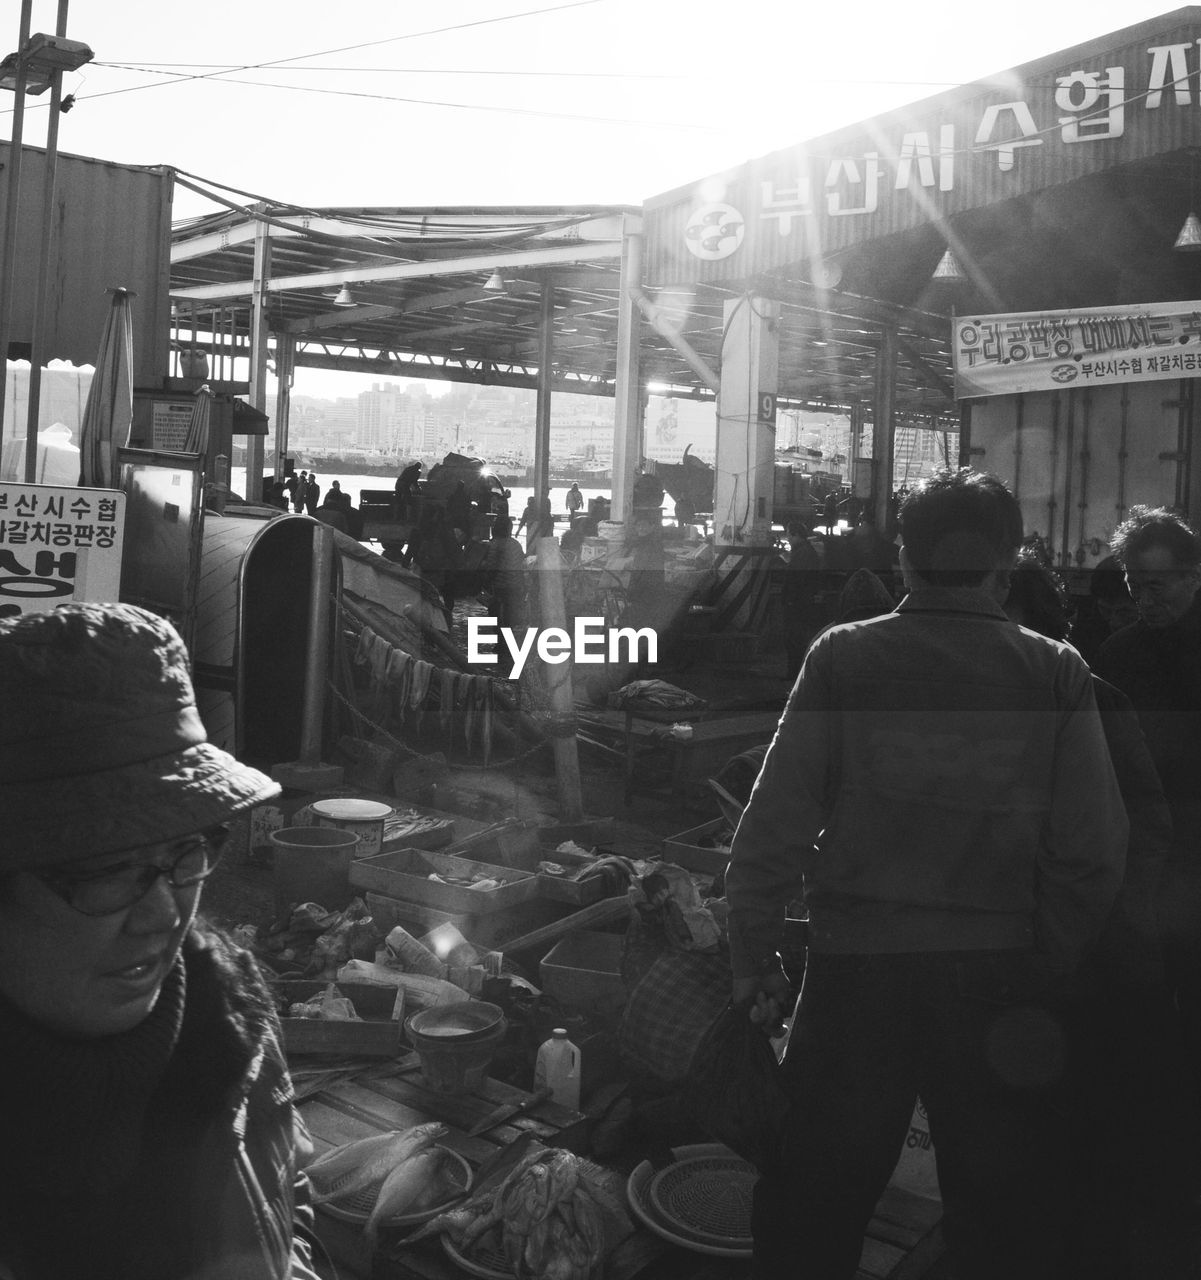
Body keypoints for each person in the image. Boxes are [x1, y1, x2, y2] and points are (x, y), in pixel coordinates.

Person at [725, 468, 1127, 1280]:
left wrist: (752, 949)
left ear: (902, 561)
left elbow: (770, 828)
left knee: (813, 1204)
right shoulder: (1055, 673)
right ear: (1006, 565)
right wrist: (1040, 958)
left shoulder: (841, 659)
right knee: (992, 1215)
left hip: (852, 979)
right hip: (994, 990)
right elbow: (1091, 850)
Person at [0, 602, 320, 1280]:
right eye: (104, 870)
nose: (161, 915)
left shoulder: (232, 1020)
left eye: (186, 851)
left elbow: (287, 1205)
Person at [1006, 554, 1197, 1277]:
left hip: (1106, 943)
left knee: (1115, 1110)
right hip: (1048, 947)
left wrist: (1119, 910)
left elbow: (1143, 826)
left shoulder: (1092, 697)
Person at [1094, 506, 1201, 1099]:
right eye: (1135, 585)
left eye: (1156, 586)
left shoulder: (1121, 655)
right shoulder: (1118, 655)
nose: (1142, 598)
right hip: (1147, 855)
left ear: (1194, 577)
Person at [779, 520, 823, 683]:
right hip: (802, 602)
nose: (788, 539)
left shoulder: (803, 553)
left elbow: (797, 578)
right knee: (797, 639)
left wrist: (790, 600)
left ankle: (794, 674)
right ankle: (796, 673)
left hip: (797, 604)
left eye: (789, 535)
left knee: (794, 640)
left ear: (796, 535)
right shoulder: (804, 551)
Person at [483, 515, 528, 643]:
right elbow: (522, 562)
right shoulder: (516, 544)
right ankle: (508, 637)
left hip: (500, 584)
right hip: (516, 584)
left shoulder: (494, 544)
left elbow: (491, 567)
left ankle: (500, 637)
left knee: (495, 610)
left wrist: (485, 582)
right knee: (509, 611)